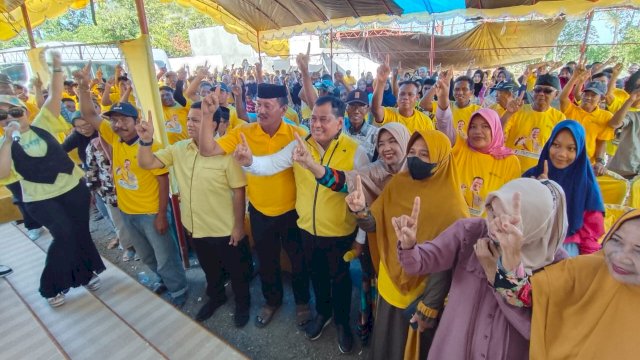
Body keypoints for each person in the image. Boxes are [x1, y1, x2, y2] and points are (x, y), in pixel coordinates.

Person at [235, 96, 369, 353]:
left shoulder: (355, 152)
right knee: (317, 278)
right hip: (307, 230)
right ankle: (323, 314)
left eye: (324, 119)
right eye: (313, 118)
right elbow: (270, 164)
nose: (316, 125)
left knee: (340, 281)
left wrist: (360, 239)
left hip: (340, 233)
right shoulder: (299, 145)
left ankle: (342, 322)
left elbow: (366, 200)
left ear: (339, 122)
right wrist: (250, 161)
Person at [395, 178, 568, 359]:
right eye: (492, 212)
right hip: (452, 350)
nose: (493, 225)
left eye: (507, 220)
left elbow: (535, 329)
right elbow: (418, 262)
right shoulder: (471, 232)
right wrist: (408, 246)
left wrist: (496, 274)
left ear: (534, 223)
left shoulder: (556, 265)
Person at [197, 83, 312, 331]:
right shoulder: (244, 132)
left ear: (283, 109)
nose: (260, 110)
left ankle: (303, 303)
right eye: (258, 104)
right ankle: (272, 302)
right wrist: (207, 116)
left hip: (293, 212)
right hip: (260, 212)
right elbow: (207, 150)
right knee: (267, 262)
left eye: (267, 105)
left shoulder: (297, 135)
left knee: (298, 261)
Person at [346, 130, 469, 359]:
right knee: (385, 341)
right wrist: (360, 210)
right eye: (412, 152)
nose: (415, 159)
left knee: (409, 346)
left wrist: (429, 306)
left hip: (420, 293)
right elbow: (376, 224)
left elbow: (446, 265)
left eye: (424, 154)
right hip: (389, 279)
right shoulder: (399, 184)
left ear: (441, 159)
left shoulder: (454, 207)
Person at [74, 64, 188, 307]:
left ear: (136, 121)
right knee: (146, 254)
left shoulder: (151, 145)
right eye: (114, 120)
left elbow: (163, 179)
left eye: (124, 119)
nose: (118, 125)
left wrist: (160, 215)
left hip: (150, 212)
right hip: (127, 211)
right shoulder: (114, 137)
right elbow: (89, 114)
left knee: (166, 255)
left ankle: (179, 290)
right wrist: (84, 88)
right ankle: (161, 281)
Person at [0, 52, 105, 307]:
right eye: (3, 116)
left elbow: (55, 96)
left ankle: (84, 273)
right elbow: (3, 173)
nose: (11, 117)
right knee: (64, 235)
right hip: (41, 198)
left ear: (24, 110)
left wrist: (57, 67)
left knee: (80, 232)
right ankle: (50, 286)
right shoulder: (3, 142)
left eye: (15, 111)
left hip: (71, 188)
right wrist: (7, 136)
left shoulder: (42, 123)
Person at [137, 99, 252, 327]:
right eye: (188, 119)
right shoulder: (180, 149)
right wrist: (146, 140)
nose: (189, 124)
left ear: (215, 124)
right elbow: (147, 163)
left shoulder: (227, 153)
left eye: (196, 120)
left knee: (237, 273)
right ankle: (217, 297)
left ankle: (242, 304)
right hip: (196, 227)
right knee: (210, 271)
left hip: (224, 229)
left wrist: (238, 227)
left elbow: (239, 192)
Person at [494, 208, 640, 359]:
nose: (621, 257)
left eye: (638, 250)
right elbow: (516, 295)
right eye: (616, 240)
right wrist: (510, 252)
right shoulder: (585, 269)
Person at [436, 78, 521, 216]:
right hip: (451, 227)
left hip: (486, 232)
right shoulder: (461, 146)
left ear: (495, 130)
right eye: (473, 126)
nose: (477, 131)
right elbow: (444, 125)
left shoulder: (509, 161)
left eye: (485, 126)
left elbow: (510, 204)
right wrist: (444, 98)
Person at [524, 120, 605, 256]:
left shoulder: (586, 186)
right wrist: (537, 190)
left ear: (580, 151)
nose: (562, 154)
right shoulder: (531, 176)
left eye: (571, 148)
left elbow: (590, 235)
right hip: (528, 245)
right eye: (556, 145)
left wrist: (585, 267)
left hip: (564, 252)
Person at [502, 74, 566, 170]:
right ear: (533, 92)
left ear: (556, 95)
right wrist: (508, 113)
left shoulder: (559, 118)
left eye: (547, 91)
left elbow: (560, 150)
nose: (541, 93)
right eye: (538, 90)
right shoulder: (517, 110)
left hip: (539, 175)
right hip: (510, 170)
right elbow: (498, 133)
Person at [559, 63, 615, 170]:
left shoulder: (606, 116)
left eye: (593, 95)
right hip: (563, 159)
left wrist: (599, 162)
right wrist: (575, 77)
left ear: (601, 98)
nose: (588, 97)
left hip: (586, 163)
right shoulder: (572, 109)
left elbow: (601, 141)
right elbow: (563, 98)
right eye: (586, 94)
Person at [372, 56, 433, 133]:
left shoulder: (425, 121)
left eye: (410, 94)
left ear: (417, 97)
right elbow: (376, 110)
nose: (405, 97)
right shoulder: (389, 114)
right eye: (402, 94)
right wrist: (381, 81)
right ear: (397, 97)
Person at [343, 89, 378, 160]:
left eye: (361, 106)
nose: (356, 111)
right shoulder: (338, 129)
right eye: (352, 105)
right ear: (346, 108)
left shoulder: (376, 134)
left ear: (367, 109)